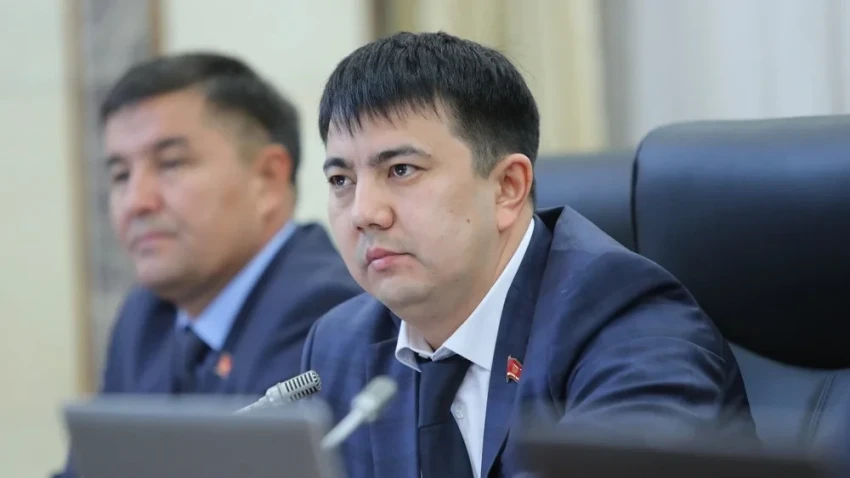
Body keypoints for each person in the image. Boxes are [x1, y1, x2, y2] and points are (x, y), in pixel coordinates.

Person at [301, 32, 756, 478]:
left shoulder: (629, 324)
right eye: (341, 180)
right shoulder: (340, 346)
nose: (364, 213)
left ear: (507, 188)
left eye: (401, 170)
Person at [54, 52, 361, 477]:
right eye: (121, 175)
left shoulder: (326, 312)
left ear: (268, 179)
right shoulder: (145, 316)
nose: (136, 201)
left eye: (171, 164)